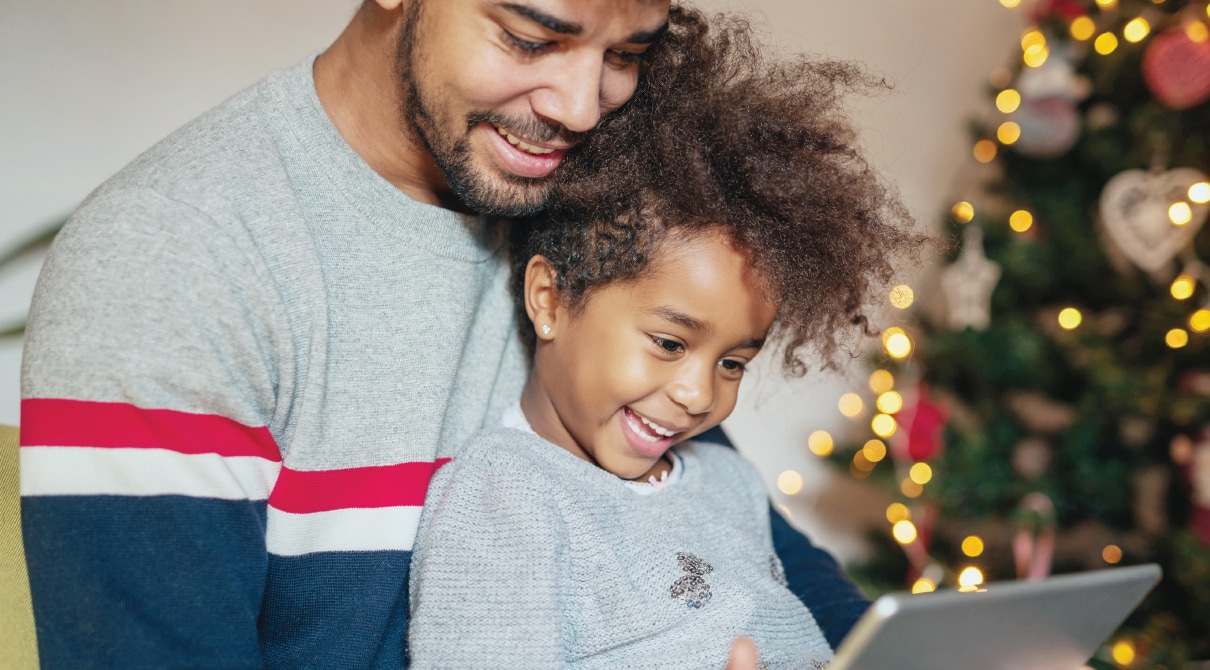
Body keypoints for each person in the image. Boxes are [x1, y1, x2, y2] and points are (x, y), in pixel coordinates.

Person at [17, 1, 878, 668]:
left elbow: (726, 540)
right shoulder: (171, 258)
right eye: (531, 39)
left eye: (626, 55)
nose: (582, 109)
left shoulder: (598, 218)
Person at [407, 16, 920, 668]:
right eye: (669, 344)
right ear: (551, 300)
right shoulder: (508, 501)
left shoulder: (727, 481)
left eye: (734, 362)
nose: (697, 394)